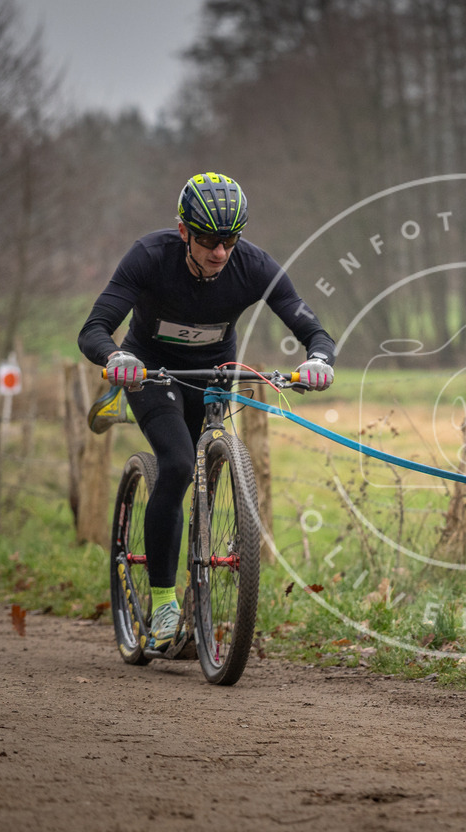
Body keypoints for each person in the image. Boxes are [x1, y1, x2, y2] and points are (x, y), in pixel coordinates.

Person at [78, 172, 335, 650]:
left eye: (230, 240)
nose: (220, 252)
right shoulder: (149, 256)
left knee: (204, 465)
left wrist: (318, 360)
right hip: (150, 370)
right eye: (208, 240)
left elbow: (312, 329)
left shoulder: (255, 266)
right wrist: (117, 359)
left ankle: (203, 596)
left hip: (213, 371)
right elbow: (94, 328)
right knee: (176, 466)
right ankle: (163, 604)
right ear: (183, 232)